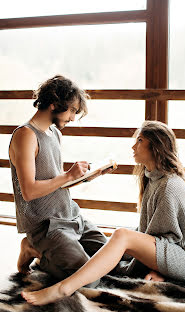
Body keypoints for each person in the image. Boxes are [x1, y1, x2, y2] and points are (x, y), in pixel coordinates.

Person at [21, 120, 185, 306]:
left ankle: (63, 288)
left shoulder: (170, 185)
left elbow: (169, 237)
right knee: (109, 252)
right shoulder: (152, 178)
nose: (133, 146)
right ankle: (36, 249)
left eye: (140, 140)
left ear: (156, 146)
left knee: (121, 237)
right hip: (171, 251)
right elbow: (149, 233)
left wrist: (163, 270)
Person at [9, 75, 108, 283]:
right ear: (54, 105)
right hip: (45, 226)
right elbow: (29, 191)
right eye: (72, 110)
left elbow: (56, 182)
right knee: (89, 279)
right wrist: (68, 175)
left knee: (110, 259)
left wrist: (87, 178)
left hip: (69, 215)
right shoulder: (25, 135)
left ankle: (58, 252)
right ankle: (32, 248)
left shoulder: (54, 133)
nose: (73, 118)